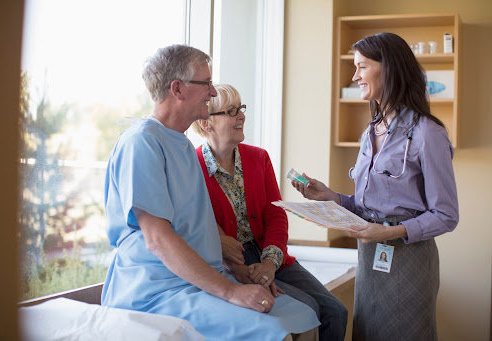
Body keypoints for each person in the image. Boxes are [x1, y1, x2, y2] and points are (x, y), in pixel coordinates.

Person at [101, 44, 320, 341]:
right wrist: (231, 291)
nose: (213, 92)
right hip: (158, 288)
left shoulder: (181, 146)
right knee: (274, 333)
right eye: (206, 83)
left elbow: (199, 228)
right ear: (177, 89)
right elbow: (158, 240)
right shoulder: (141, 143)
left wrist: (237, 273)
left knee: (306, 319)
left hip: (202, 277)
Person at [291, 32, 459, 341]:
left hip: (409, 260)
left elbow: (446, 215)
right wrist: (332, 197)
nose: (354, 76)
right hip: (370, 258)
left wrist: (390, 232)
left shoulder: (427, 133)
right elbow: (368, 206)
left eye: (361, 67)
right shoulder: (371, 132)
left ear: (389, 69)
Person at [192, 84, 348, 341]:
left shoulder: (258, 158)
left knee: (335, 311)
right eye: (232, 111)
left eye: (241, 109)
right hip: (233, 263)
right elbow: (199, 227)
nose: (242, 116)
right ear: (206, 123)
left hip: (271, 254)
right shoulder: (193, 167)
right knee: (310, 310)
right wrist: (238, 267)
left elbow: (276, 215)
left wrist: (269, 262)